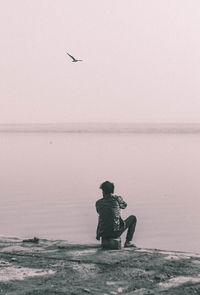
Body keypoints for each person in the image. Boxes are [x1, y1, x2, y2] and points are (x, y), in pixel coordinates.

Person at [96, 181, 137, 248]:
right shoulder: (117, 200)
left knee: (102, 217)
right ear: (112, 191)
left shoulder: (98, 202)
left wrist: (98, 233)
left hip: (103, 233)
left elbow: (101, 214)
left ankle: (100, 235)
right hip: (115, 233)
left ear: (103, 191)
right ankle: (128, 242)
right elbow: (124, 206)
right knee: (133, 218)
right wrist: (118, 198)